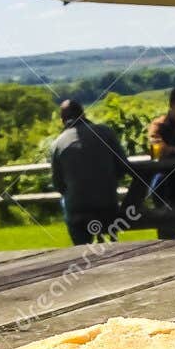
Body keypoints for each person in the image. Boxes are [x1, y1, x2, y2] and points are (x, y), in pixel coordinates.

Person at [50, 98, 129, 245]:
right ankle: (110, 242)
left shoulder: (57, 143)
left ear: (62, 120)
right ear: (83, 114)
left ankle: (80, 248)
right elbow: (123, 167)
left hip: (78, 210)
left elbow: (58, 184)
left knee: (66, 202)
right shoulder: (106, 132)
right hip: (107, 205)